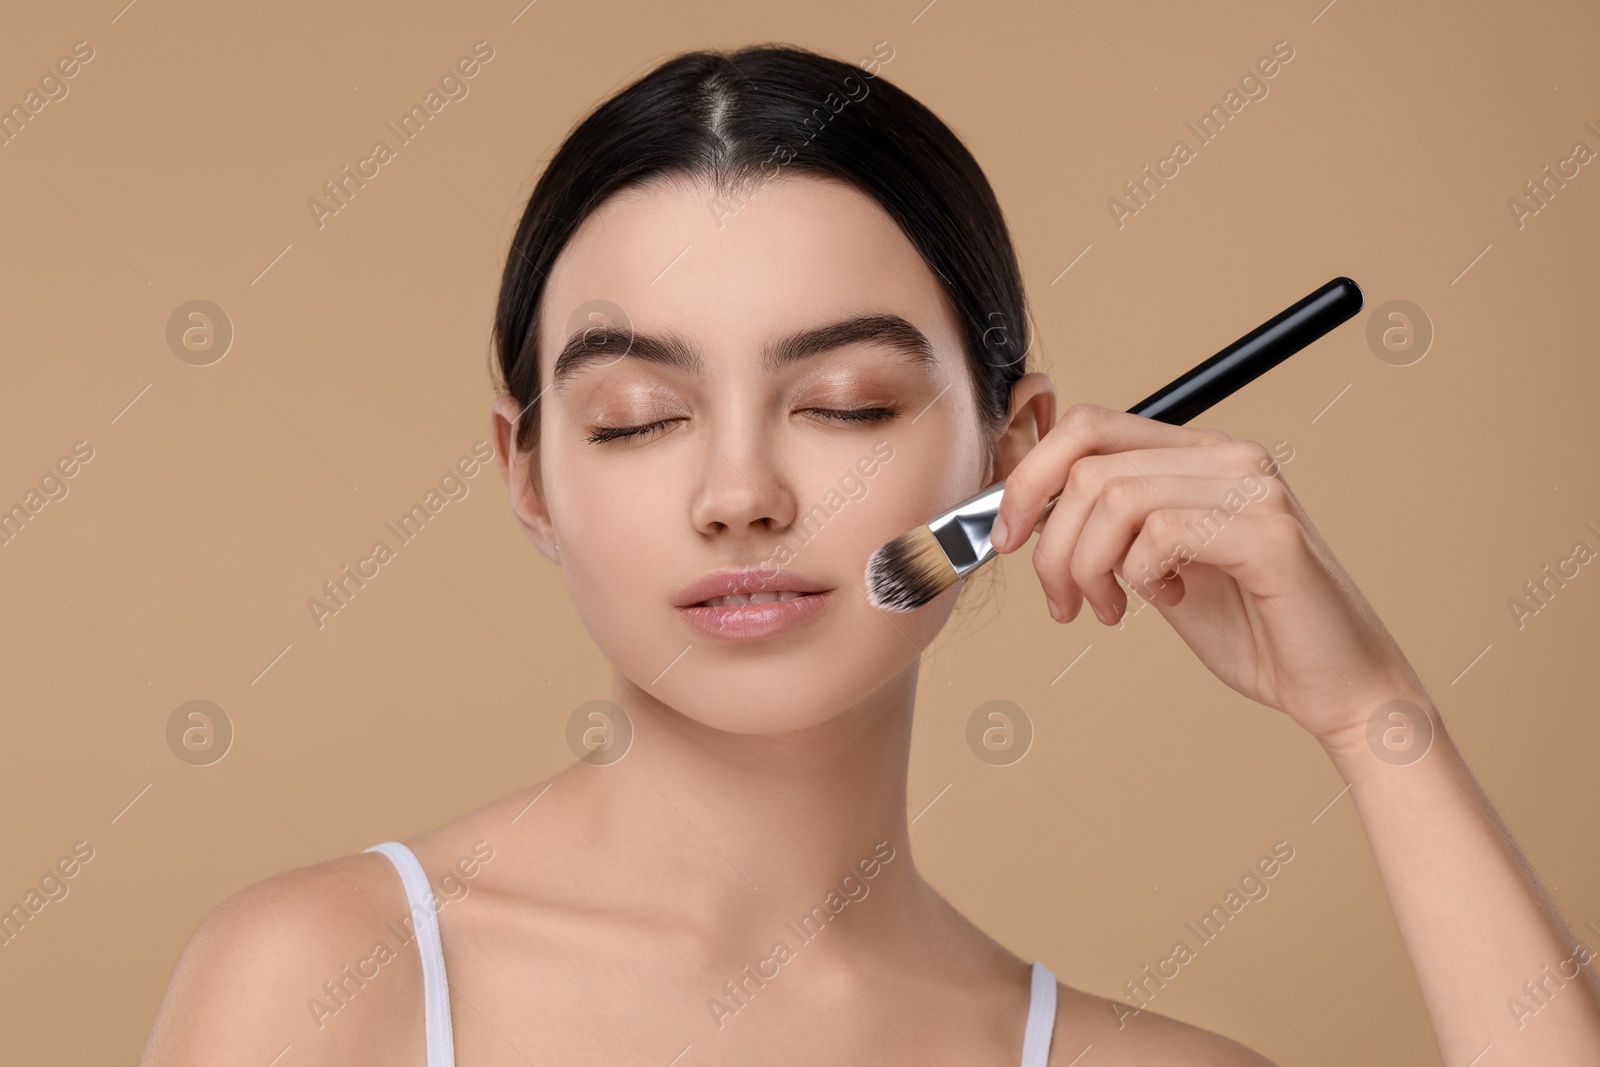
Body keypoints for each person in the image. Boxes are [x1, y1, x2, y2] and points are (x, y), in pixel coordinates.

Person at [140, 43, 1600, 1065]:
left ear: (1013, 449)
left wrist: (1376, 723)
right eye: (640, 419)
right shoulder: (334, 979)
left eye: (847, 405)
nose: (740, 494)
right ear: (528, 476)